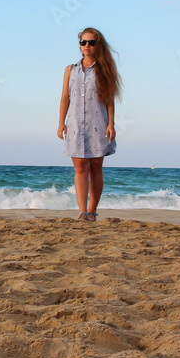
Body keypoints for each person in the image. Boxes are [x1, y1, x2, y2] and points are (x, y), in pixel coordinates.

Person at [57, 27, 122, 221]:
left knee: (96, 167)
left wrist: (111, 124)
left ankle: (92, 211)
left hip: (97, 123)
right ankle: (82, 211)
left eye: (91, 42)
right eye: (83, 42)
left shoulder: (104, 69)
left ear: (97, 44)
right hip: (76, 122)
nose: (87, 46)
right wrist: (61, 122)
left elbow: (109, 99)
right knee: (79, 167)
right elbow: (65, 97)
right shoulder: (70, 70)